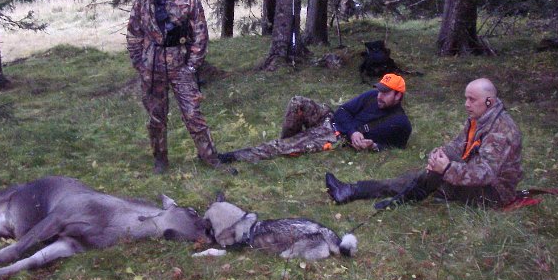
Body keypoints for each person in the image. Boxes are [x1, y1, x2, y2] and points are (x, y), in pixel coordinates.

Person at [325, 77, 522, 209]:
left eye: (472, 99)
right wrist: (439, 155)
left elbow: (485, 174)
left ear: (489, 101)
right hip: (471, 174)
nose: (466, 104)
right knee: (428, 175)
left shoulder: (501, 131)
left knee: (431, 180)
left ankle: (361, 192)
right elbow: (457, 146)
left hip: (493, 193)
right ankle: (365, 192)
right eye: (466, 99)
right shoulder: (477, 118)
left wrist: (447, 169)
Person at [127, 0, 233, 174]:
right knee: (156, 117)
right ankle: (160, 160)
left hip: (181, 66)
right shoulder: (141, 0)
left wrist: (192, 66)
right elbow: (134, 34)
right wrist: (140, 63)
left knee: (193, 114)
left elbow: (200, 35)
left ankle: (210, 158)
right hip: (151, 67)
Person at [217, 73, 412, 163]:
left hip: (336, 136)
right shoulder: (370, 97)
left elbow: (394, 148)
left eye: (386, 93)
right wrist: (353, 131)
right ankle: (288, 144)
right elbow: (342, 110)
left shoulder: (400, 124)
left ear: (398, 96)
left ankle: (234, 156)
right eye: (380, 91)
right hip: (331, 119)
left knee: (284, 146)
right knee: (297, 103)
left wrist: (371, 146)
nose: (380, 96)